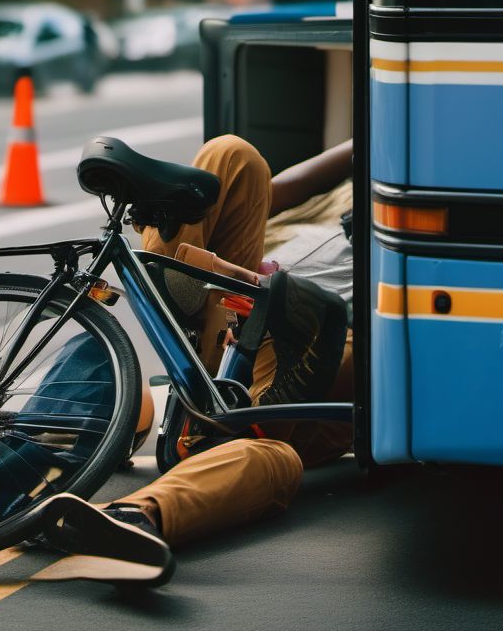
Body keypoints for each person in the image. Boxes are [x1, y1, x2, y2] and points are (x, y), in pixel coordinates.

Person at [35, 134, 355, 588]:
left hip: (305, 349)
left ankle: (134, 515)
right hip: (230, 306)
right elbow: (280, 190)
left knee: (276, 459)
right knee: (234, 153)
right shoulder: (355, 184)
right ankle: (178, 289)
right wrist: (372, 134)